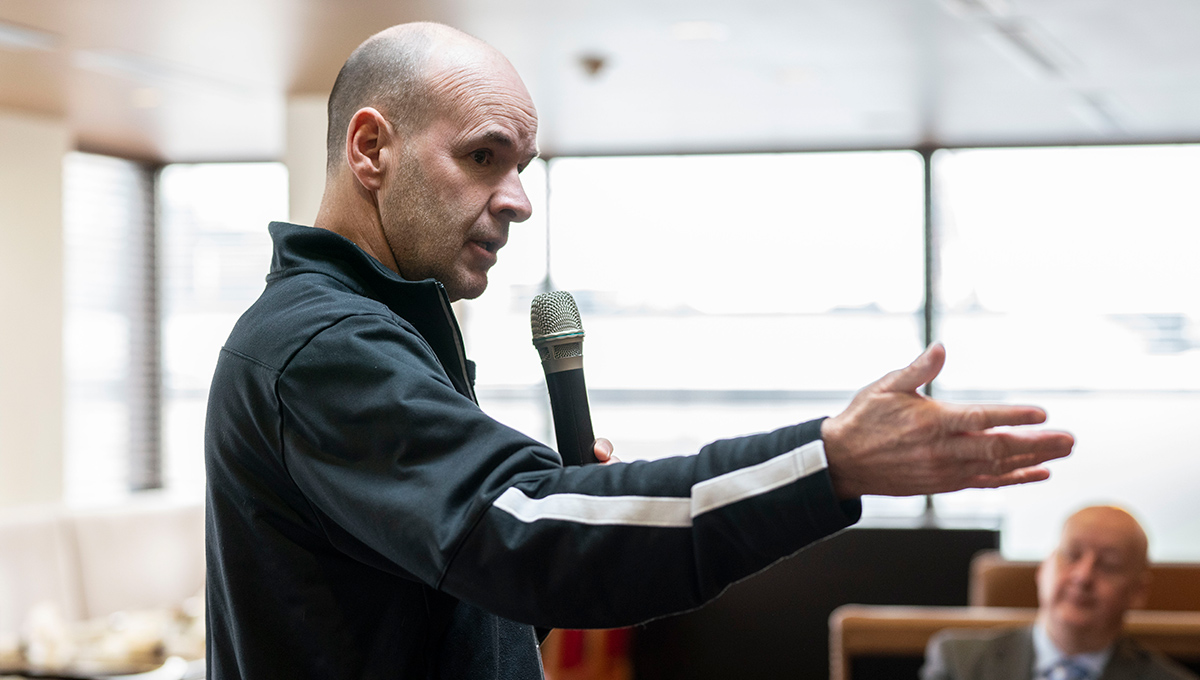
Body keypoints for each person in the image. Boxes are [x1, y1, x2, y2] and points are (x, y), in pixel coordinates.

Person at [204, 21, 1075, 680]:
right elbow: (527, 542)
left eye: (523, 167)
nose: (517, 200)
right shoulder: (323, 346)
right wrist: (831, 460)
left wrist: (563, 512)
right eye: (481, 157)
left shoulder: (371, 335)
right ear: (370, 149)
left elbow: (457, 591)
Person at [921, 506, 1198, 680]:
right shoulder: (960, 661)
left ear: (1138, 592)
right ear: (1044, 568)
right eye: (1072, 555)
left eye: (1108, 565)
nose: (1083, 576)